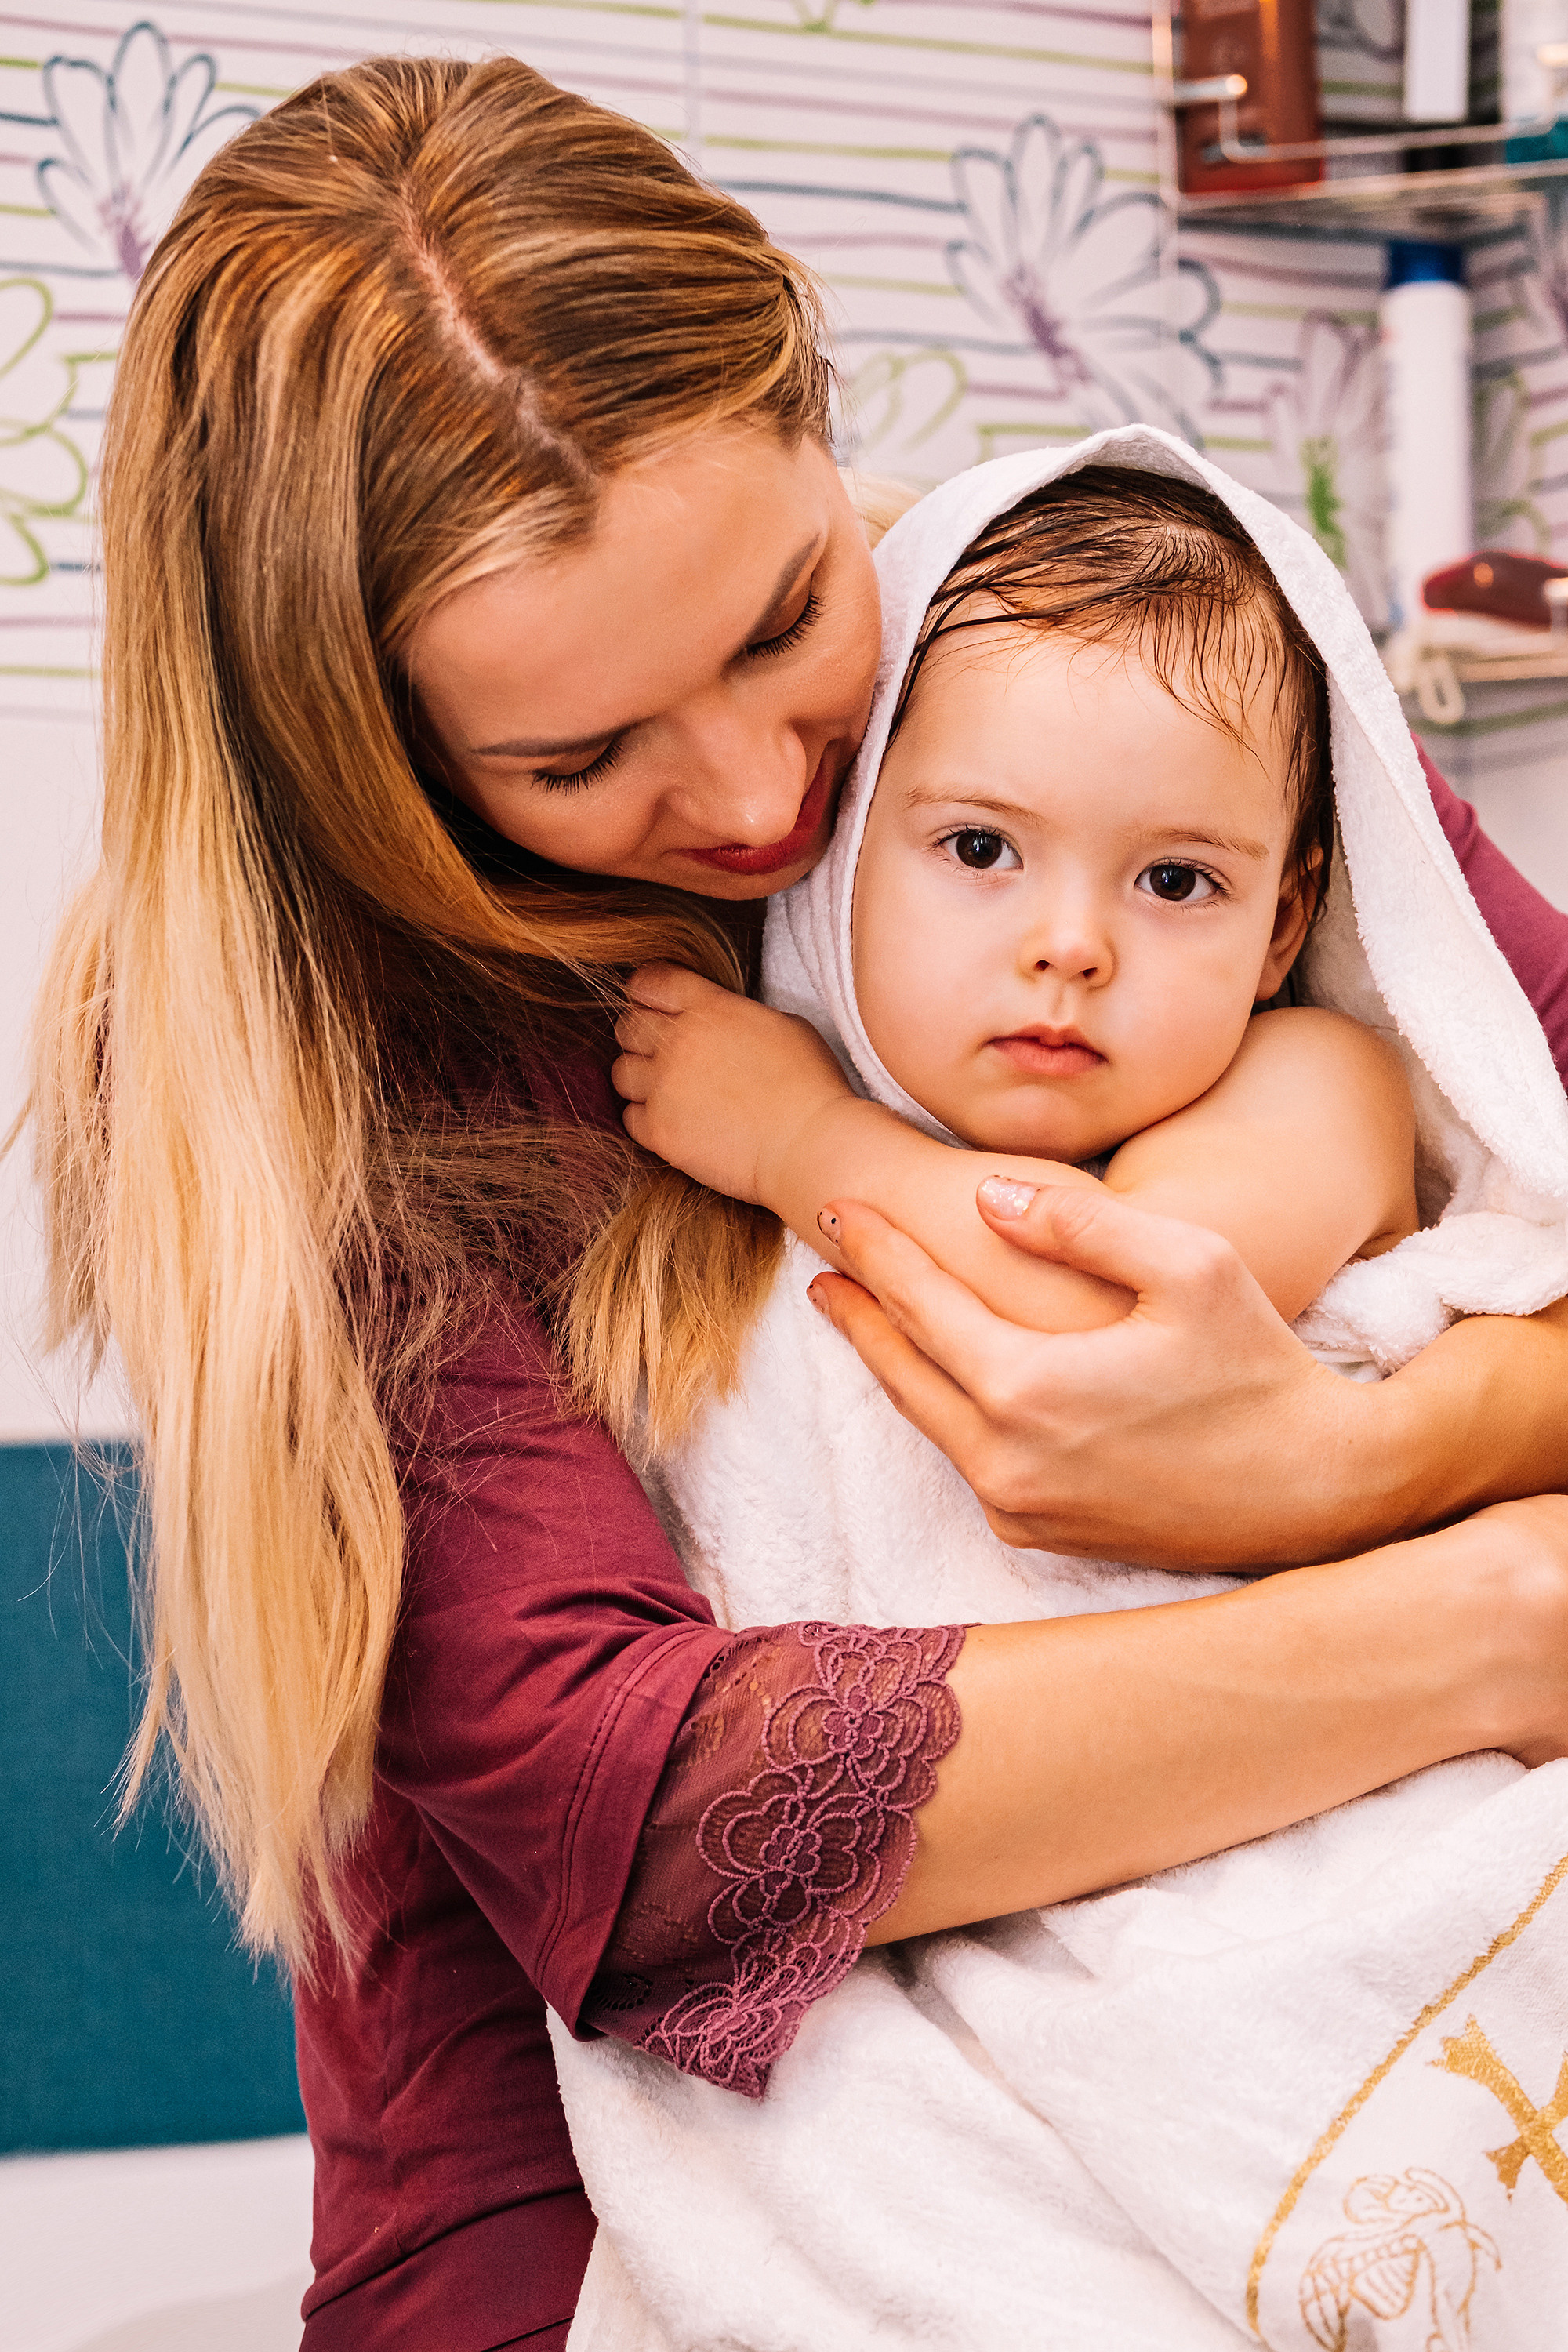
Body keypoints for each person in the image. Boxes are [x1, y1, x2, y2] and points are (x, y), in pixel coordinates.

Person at [20, 52, 1568, 2352]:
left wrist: (1361, 1456)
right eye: (575, 759)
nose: (754, 795)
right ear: (367, 753)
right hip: (606, 2238)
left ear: (822, 416)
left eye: (777, 621)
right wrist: (1493, 1625)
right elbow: (635, 1828)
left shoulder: (1105, 680)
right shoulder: (310, 1054)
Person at [555, 442, 1568, 2348]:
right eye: (977, 849)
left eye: (1175, 879)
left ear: (1282, 930)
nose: (1069, 940)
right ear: (854, 849)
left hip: (1303, 1853)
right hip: (936, 1915)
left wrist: (795, 1133)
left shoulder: (1310, 1090)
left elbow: (1086, 1326)